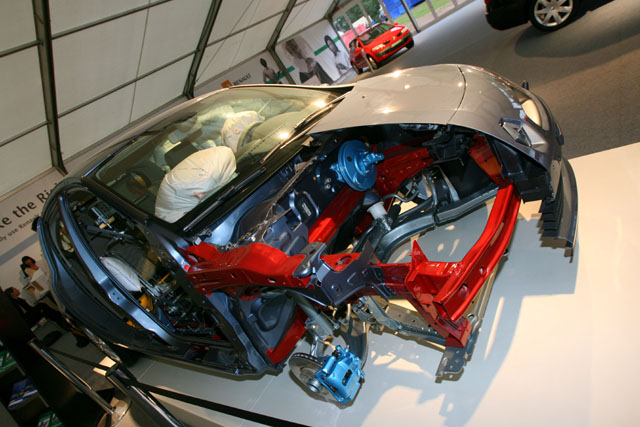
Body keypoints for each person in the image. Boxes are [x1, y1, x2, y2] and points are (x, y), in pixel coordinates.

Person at [4, 287, 89, 347]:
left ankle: (63, 322)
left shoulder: (18, 300)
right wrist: (37, 311)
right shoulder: (15, 304)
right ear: (12, 293)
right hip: (28, 320)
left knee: (46, 309)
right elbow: (24, 314)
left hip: (31, 315)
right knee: (45, 308)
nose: (17, 289)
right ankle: (64, 321)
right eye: (15, 289)